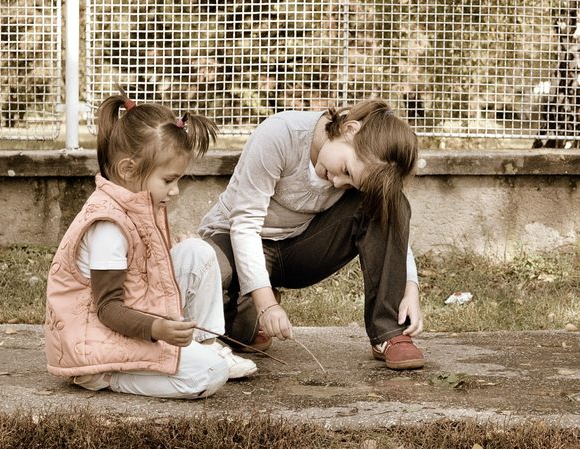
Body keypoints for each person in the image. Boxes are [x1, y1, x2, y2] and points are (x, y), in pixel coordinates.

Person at [45, 88, 257, 399]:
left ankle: (205, 344)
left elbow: (144, 270)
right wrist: (158, 329)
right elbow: (108, 309)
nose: (175, 191)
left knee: (198, 252)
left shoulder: (139, 202)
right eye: (169, 180)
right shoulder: (108, 226)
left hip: (132, 322)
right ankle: (105, 376)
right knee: (210, 374)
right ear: (128, 169)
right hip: (98, 337)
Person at [198, 98, 425, 370]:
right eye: (346, 171)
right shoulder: (280, 134)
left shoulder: (352, 168)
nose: (340, 183)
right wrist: (266, 304)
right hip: (236, 240)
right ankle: (246, 309)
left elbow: (390, 223)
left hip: (298, 248)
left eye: (352, 183)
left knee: (392, 201)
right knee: (212, 280)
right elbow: (245, 223)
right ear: (350, 130)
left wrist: (408, 286)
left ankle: (388, 333)